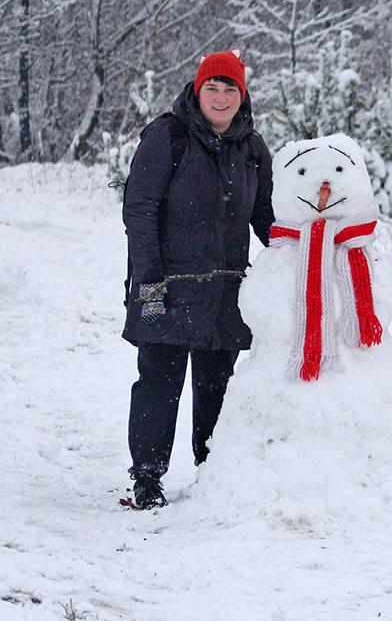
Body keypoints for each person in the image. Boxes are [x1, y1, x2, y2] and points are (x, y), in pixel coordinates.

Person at [121, 50, 274, 510]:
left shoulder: (252, 149)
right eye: (213, 87)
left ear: (242, 95)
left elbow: (267, 218)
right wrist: (149, 284)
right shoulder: (168, 136)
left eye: (230, 89)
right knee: (158, 383)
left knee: (217, 386)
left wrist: (307, 254)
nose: (221, 97)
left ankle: (213, 471)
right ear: (197, 89)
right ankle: (148, 476)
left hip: (225, 292)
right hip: (164, 287)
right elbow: (140, 210)